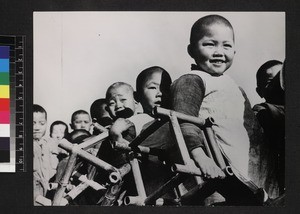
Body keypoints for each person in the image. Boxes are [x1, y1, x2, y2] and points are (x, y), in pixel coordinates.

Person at [168, 14, 268, 205]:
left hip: (250, 170)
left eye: (226, 46)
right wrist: (200, 157)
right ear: (191, 50)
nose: (218, 52)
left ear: (235, 51)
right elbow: (185, 120)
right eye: (209, 44)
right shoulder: (192, 79)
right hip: (221, 174)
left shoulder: (235, 87)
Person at [253, 60, 285, 197]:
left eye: (282, 79)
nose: (277, 86)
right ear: (259, 91)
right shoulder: (262, 110)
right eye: (270, 82)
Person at [33, 104, 56, 205]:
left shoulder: (48, 143)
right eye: (32, 123)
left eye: (41, 123)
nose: (37, 128)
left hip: (47, 187)